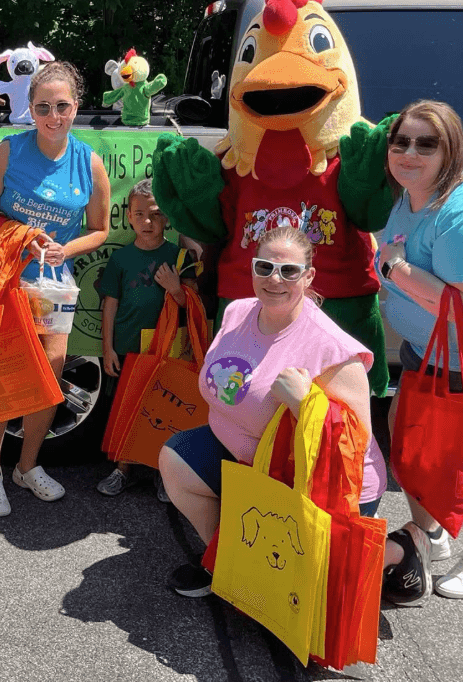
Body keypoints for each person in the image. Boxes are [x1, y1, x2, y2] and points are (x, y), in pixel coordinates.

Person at [159, 225, 386, 597]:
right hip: (253, 465)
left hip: (319, 483)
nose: (274, 279)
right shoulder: (237, 312)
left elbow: (353, 446)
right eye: (264, 267)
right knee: (177, 459)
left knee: (309, 596)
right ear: (252, 269)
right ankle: (227, 558)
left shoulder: (332, 349)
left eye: (289, 271)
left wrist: (306, 404)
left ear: (309, 275)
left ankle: (398, 552)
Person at [0, 61, 111, 516]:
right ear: (30, 108)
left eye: (62, 106)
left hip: (54, 286)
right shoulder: (10, 151)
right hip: (5, 279)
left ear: (76, 106)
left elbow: (100, 229)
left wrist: (66, 251)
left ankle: (27, 467)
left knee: (49, 377)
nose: (53, 115)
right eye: (43, 106)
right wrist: (23, 237)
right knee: (3, 375)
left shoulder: (90, 162)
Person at [376, 100, 463, 603]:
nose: (409, 152)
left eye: (425, 143)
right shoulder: (409, 197)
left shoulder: (453, 214)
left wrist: (395, 271)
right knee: (410, 453)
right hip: (421, 356)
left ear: (448, 151)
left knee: (453, 464)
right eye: (401, 141)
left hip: (456, 364)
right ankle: (433, 536)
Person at [97, 179, 199, 499]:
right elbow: (109, 305)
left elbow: (192, 306)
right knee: (127, 408)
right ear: (128, 217)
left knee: (163, 411)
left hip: (167, 351)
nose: (147, 222)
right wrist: (107, 347)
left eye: (155, 214)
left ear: (166, 217)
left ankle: (161, 473)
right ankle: (123, 469)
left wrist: (175, 288)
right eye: (139, 214)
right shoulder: (120, 259)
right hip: (129, 349)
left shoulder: (179, 257)